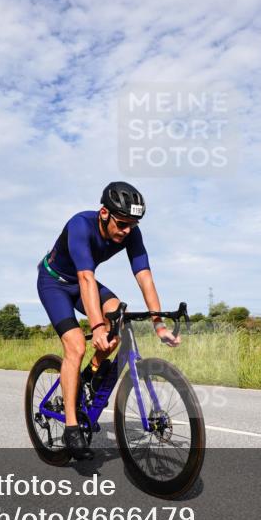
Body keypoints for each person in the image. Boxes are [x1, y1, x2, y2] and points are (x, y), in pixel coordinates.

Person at [37, 181, 180, 460]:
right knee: (77, 344)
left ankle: (90, 376)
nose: (127, 231)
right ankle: (71, 426)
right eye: (123, 223)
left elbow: (145, 276)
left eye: (133, 225)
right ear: (104, 213)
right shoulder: (80, 224)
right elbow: (86, 278)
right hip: (54, 283)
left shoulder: (131, 233)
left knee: (119, 315)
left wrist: (159, 324)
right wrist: (98, 327)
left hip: (83, 283)